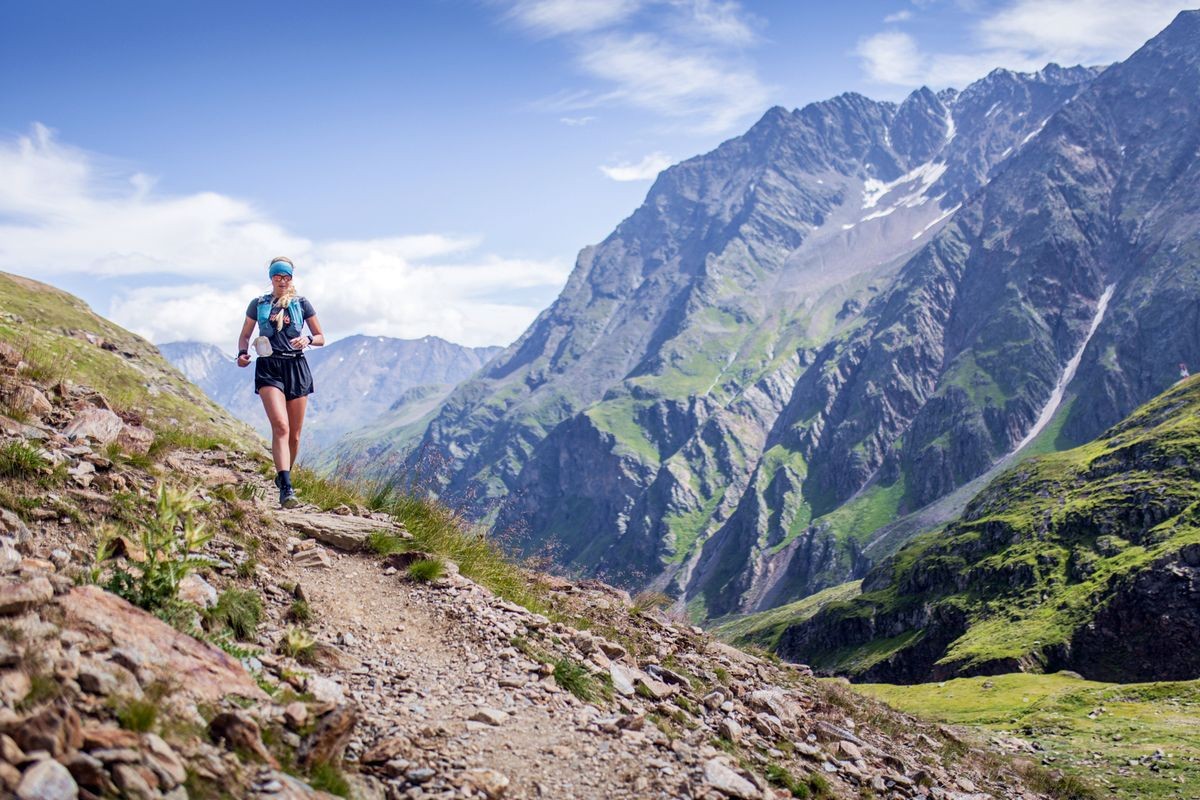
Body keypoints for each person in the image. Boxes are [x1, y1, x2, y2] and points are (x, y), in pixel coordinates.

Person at [236, 256, 324, 507]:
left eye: (287, 277)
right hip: (269, 367)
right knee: (281, 427)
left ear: (291, 279)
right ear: (271, 278)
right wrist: (242, 354)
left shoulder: (301, 303)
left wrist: (307, 340)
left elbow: (320, 336)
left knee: (294, 436)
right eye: (278, 276)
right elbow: (244, 336)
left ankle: (283, 474)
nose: (283, 281)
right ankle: (286, 488)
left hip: (296, 366)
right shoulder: (258, 304)